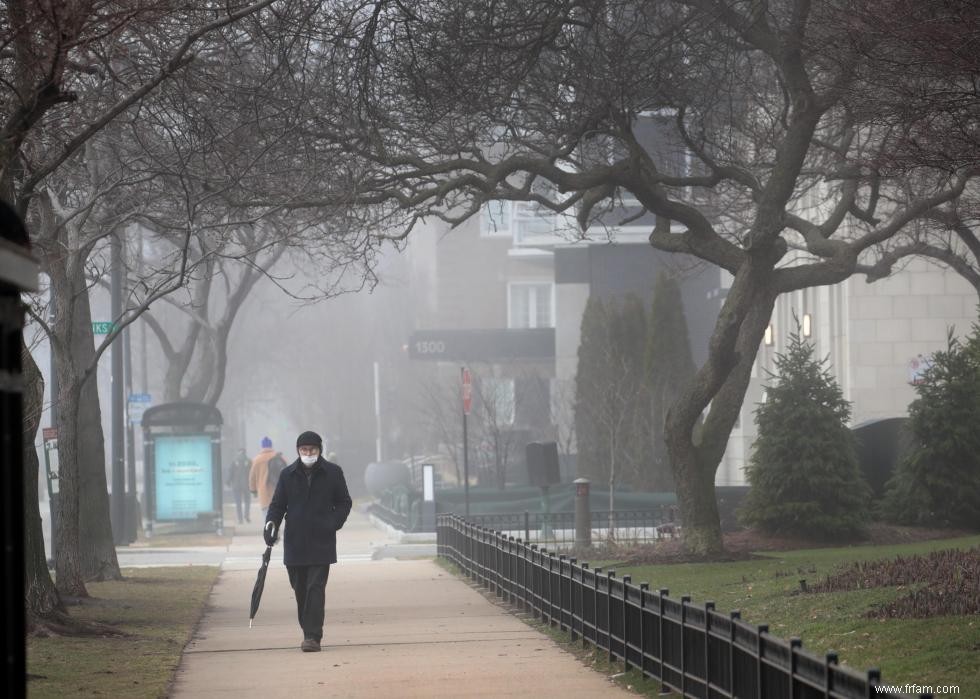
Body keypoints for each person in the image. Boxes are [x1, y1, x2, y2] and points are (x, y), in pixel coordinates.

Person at [264, 430, 352, 653]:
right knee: (300, 588)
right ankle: (308, 630)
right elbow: (277, 505)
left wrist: (333, 522)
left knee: (315, 587)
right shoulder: (287, 475)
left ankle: (312, 636)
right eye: (304, 450)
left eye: (312, 450)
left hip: (321, 541)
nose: (308, 453)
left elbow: (344, 502)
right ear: (298, 451)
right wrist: (271, 526)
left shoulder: (333, 473)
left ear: (319, 450)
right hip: (295, 542)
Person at [248, 436, 279, 517]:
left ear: (262, 446)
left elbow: (252, 477)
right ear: (271, 445)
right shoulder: (279, 457)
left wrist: (253, 490)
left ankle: (270, 528)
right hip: (278, 490)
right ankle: (275, 526)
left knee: (266, 513)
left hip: (263, 492)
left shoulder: (257, 460)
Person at [226, 448, 252, 523]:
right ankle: (246, 515)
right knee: (247, 501)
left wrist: (228, 482)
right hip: (246, 485)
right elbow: (252, 473)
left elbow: (230, 472)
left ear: (238, 452)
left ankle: (240, 519)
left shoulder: (234, 461)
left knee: (238, 502)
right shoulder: (249, 461)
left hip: (236, 485)